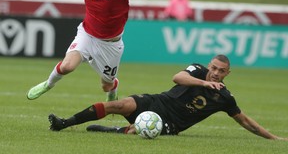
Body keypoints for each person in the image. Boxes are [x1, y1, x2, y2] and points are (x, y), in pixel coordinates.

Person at [48, 55, 288, 140]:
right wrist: (205, 82)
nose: (215, 72)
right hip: (158, 102)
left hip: (171, 123)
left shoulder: (225, 97)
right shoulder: (197, 70)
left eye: (220, 70)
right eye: (213, 67)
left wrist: (274, 138)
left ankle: (114, 131)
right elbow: (177, 78)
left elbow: (245, 121)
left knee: (138, 131)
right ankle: (65, 123)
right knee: (117, 104)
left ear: (228, 73)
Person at [26, 0, 150, 102]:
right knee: (67, 66)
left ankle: (113, 86)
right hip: (87, 34)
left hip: (110, 44)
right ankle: (48, 84)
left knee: (106, 85)